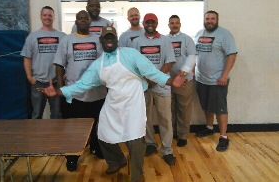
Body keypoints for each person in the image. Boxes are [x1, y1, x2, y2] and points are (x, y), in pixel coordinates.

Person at [38, 26, 184, 182]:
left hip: (133, 102)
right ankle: (117, 160)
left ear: (116, 39)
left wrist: (171, 81)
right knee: (102, 133)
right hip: (113, 102)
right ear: (101, 40)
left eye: (112, 37)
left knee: (135, 140)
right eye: (106, 38)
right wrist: (58, 92)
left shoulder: (130, 54)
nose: (109, 41)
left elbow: (151, 72)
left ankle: (137, 176)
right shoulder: (97, 65)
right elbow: (81, 85)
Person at [53, 10, 107, 171]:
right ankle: (72, 156)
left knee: (97, 123)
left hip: (97, 92)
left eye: (86, 18)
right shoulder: (67, 40)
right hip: (75, 93)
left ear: (90, 22)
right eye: (80, 18)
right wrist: (61, 87)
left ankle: (96, 148)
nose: (83, 21)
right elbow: (59, 65)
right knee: (73, 127)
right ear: (76, 21)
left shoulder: (98, 40)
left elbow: (105, 63)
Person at [132, 13, 177, 166]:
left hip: (162, 86)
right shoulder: (137, 42)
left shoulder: (165, 40)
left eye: (153, 21)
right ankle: (150, 143)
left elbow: (169, 62)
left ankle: (167, 150)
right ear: (143, 23)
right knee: (146, 118)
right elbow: (134, 64)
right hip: (144, 85)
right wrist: (146, 80)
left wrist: (155, 78)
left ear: (157, 23)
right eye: (147, 21)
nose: (150, 24)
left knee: (165, 119)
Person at [194, 10, 237, 152]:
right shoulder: (199, 34)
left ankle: (223, 137)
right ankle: (209, 127)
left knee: (220, 108)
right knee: (206, 106)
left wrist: (224, 75)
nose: (209, 21)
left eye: (212, 19)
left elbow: (232, 55)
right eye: (207, 19)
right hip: (201, 79)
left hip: (218, 80)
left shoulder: (225, 34)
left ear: (217, 20)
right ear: (204, 20)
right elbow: (195, 54)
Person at [21, 6, 66, 119]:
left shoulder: (62, 36)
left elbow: (68, 57)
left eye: (50, 15)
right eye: (45, 15)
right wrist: (29, 77)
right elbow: (27, 58)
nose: (47, 17)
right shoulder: (32, 37)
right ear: (41, 17)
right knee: (36, 114)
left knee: (57, 114)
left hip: (56, 82)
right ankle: (35, 137)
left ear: (53, 17)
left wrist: (65, 75)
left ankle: (57, 137)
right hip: (38, 82)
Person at [167, 15, 196, 147]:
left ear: (180, 24)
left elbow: (192, 56)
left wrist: (183, 71)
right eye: (172, 23)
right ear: (168, 25)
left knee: (183, 109)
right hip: (169, 81)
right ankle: (171, 132)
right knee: (170, 108)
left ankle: (183, 135)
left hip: (184, 80)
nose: (174, 25)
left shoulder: (187, 39)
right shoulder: (164, 39)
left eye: (176, 23)